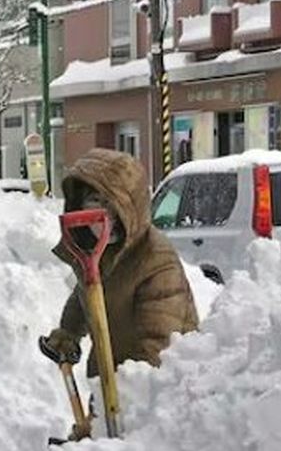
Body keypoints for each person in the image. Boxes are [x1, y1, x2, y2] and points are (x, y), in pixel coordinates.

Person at [42, 148, 199, 375]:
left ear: (132, 207)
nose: (106, 215)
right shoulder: (98, 252)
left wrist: (130, 392)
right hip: (109, 378)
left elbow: (159, 344)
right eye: (95, 201)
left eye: (114, 203)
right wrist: (69, 332)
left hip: (157, 387)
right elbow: (85, 295)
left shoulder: (156, 261)